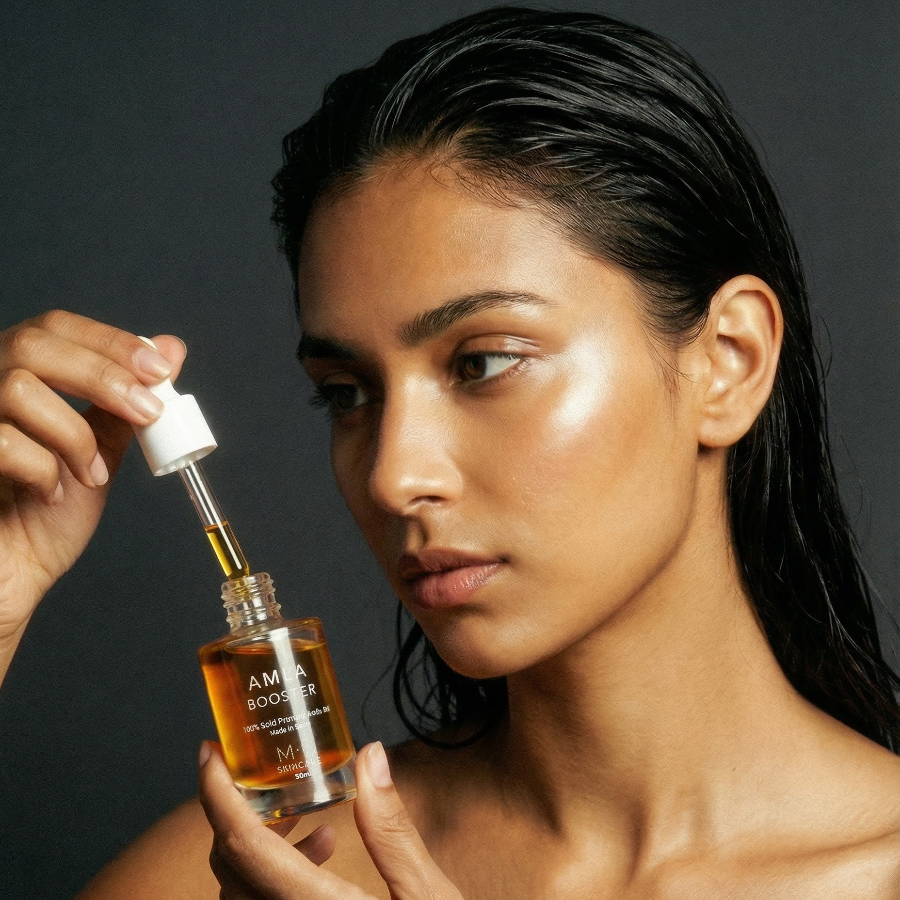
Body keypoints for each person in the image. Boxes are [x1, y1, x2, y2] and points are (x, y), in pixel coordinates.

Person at [0, 7, 897, 898]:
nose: (393, 477)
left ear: (728, 363)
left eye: (485, 362)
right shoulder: (259, 874)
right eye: (347, 395)